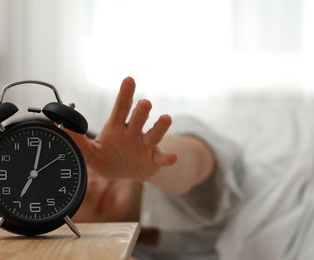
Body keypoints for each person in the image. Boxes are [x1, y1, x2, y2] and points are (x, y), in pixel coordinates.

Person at [68, 77, 314, 260]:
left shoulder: (172, 143)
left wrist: (156, 163)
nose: (88, 186)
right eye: (61, 189)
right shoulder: (129, 250)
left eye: (78, 166)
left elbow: (193, 160)